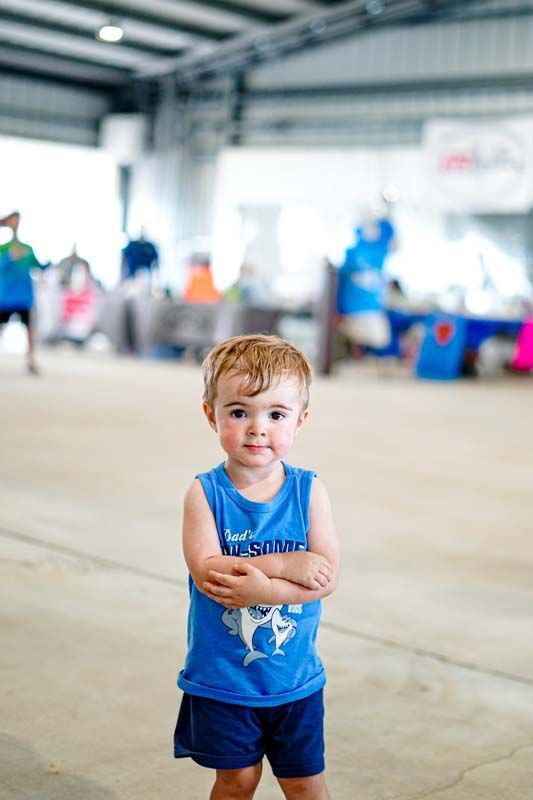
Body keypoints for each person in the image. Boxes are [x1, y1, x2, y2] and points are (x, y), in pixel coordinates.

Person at [174, 334, 340, 800]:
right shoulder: (204, 494)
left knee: (306, 784)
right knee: (237, 780)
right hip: (224, 681)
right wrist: (285, 564)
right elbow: (212, 574)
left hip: (295, 681)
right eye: (239, 411)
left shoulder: (310, 492)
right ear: (212, 414)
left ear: (300, 420)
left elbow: (324, 578)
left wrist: (262, 587)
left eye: (276, 414)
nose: (257, 428)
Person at [336, 209, 396, 350]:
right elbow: (341, 283)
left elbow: (389, 234)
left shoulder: (379, 251)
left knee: (381, 341)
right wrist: (339, 309)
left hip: (372, 308)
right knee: (373, 340)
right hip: (354, 310)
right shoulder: (353, 253)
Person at [0, 210, 47, 374]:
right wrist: (9, 258)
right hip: (5, 297)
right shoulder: (3, 248)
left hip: (24, 297)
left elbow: (39, 267)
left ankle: (30, 359)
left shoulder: (28, 249)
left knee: (29, 328)